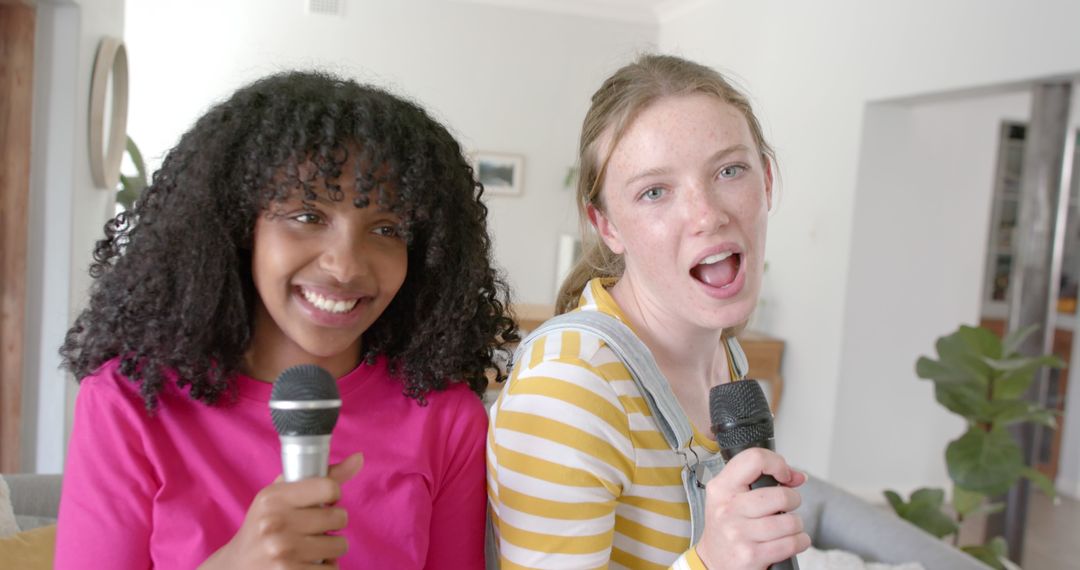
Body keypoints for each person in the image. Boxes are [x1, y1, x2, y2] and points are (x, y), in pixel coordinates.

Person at [55, 71, 517, 569]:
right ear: (237, 224)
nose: (345, 265)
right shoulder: (127, 405)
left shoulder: (446, 421)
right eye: (307, 216)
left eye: (387, 228)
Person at [486, 54, 810, 569]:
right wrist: (714, 560)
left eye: (730, 170)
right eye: (654, 191)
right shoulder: (570, 383)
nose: (708, 214)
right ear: (607, 225)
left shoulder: (723, 352)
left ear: (766, 180)